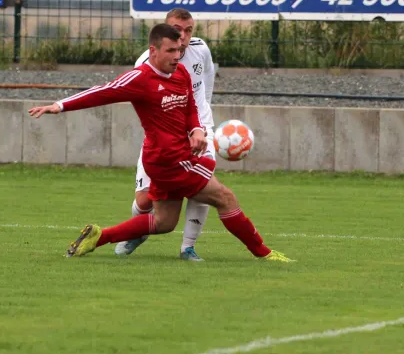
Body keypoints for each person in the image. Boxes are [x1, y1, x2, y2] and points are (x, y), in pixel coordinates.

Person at [28, 23, 293, 263]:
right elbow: (103, 92)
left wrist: (197, 130)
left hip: (178, 156)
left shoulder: (181, 75)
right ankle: (264, 253)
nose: (177, 56)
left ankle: (99, 236)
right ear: (153, 50)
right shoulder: (141, 78)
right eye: (170, 51)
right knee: (225, 196)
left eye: (179, 50)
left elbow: (190, 106)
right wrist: (60, 105)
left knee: (165, 222)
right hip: (167, 161)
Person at [115, 8, 216, 261]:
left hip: (200, 130)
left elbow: (206, 84)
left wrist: (202, 124)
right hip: (162, 137)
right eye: (177, 29)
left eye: (189, 30)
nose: (183, 36)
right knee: (145, 198)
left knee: (202, 186)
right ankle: (138, 232)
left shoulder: (200, 49)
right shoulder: (145, 62)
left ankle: (188, 248)